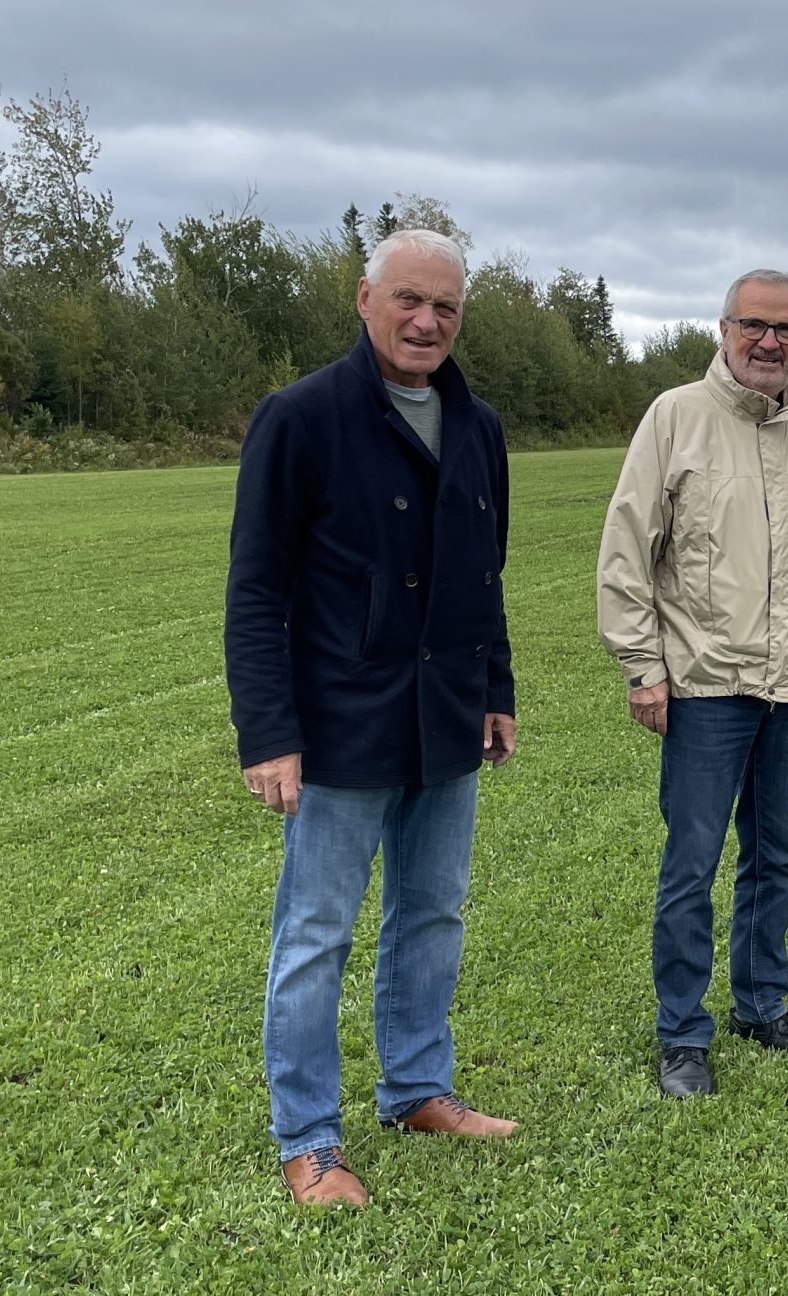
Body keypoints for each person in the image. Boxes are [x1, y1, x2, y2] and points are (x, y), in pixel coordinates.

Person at [225, 229, 521, 1207]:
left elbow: (486, 575)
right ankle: (307, 1139)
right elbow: (255, 588)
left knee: (430, 913)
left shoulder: (477, 426)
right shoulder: (301, 418)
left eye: (445, 306)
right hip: (341, 720)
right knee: (316, 932)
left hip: (445, 717)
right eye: (408, 300)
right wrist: (268, 732)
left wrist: (497, 691)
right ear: (365, 298)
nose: (427, 320)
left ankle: (417, 1090)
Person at [596, 268, 788, 1099]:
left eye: (785, 330)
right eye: (754, 325)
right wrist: (642, 667)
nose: (769, 342)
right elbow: (626, 549)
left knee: (774, 856)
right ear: (723, 329)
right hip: (705, 688)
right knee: (692, 864)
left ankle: (762, 1008)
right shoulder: (676, 418)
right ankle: (684, 1036)